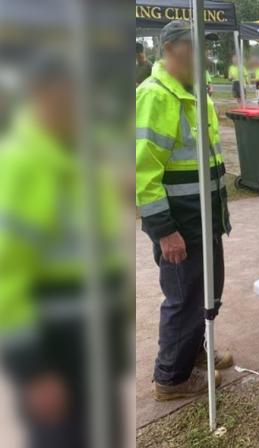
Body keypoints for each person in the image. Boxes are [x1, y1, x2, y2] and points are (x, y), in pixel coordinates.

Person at [0, 53, 127, 448]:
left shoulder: (82, 157)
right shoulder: (20, 165)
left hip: (97, 342)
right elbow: (7, 277)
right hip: (53, 348)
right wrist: (32, 370)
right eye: (66, 97)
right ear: (40, 97)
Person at [136, 20, 234, 401]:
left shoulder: (194, 94)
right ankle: (171, 378)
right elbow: (142, 171)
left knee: (207, 290)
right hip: (179, 221)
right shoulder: (156, 95)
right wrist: (163, 228)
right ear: (173, 49)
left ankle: (193, 352)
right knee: (183, 297)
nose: (203, 56)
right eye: (196, 47)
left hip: (204, 216)